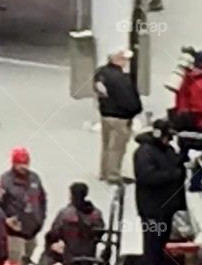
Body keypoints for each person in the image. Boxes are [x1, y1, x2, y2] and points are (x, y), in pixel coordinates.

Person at [134, 119, 186, 265]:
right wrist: (172, 175)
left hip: (166, 208)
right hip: (152, 209)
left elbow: (175, 162)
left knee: (162, 245)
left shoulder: (167, 150)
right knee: (152, 247)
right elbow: (147, 176)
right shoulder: (145, 152)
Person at [94, 48, 142, 183]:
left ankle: (104, 172)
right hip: (120, 117)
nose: (126, 62)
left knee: (106, 145)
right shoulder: (121, 78)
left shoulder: (101, 73)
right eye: (123, 59)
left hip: (105, 114)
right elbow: (128, 99)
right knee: (117, 148)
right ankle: (113, 175)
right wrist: (135, 110)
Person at [0, 147, 47, 264]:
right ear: (13, 163)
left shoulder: (35, 178)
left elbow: (42, 199)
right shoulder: (5, 180)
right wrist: (6, 220)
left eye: (25, 163)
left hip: (32, 230)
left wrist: (40, 219)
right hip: (14, 232)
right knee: (16, 260)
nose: (23, 167)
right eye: (19, 164)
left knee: (27, 258)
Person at [43, 183, 104, 265]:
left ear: (71, 195)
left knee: (48, 252)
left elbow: (54, 234)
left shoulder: (66, 214)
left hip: (69, 256)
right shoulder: (96, 214)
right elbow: (100, 233)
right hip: (89, 255)